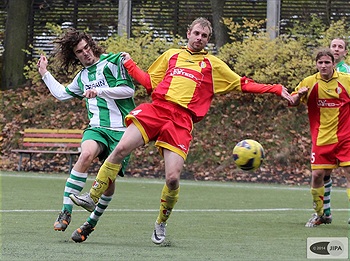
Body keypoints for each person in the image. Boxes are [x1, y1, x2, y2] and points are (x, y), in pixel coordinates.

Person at [71, 17, 293, 244]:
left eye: (204, 36)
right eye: (196, 33)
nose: (199, 38)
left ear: (208, 39)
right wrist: (130, 65)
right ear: (188, 33)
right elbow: (149, 83)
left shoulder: (212, 64)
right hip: (156, 110)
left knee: (173, 178)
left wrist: (275, 89)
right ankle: (92, 196)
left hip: (181, 121)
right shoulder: (171, 55)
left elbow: (242, 83)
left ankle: (160, 223)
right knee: (120, 149)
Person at [37, 28, 136, 242]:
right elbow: (62, 94)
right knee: (85, 154)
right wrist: (45, 73)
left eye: (87, 48)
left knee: (107, 183)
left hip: (122, 131)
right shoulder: (82, 77)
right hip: (97, 127)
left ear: (92, 45)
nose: (86, 53)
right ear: (75, 56)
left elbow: (129, 90)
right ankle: (66, 211)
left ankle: (90, 223)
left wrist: (100, 91)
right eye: (80, 52)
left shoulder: (111, 62)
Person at [288, 48, 350, 227]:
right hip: (321, 139)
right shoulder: (309, 82)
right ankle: (321, 214)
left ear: (333, 64)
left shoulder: (346, 81)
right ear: (316, 64)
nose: (323, 66)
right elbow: (291, 101)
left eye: (327, 62)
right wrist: (299, 96)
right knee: (317, 175)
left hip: (345, 138)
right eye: (320, 63)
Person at [321, 38, 350, 220]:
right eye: (334, 46)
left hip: (345, 129)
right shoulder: (322, 72)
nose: (337, 49)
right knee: (324, 171)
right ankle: (326, 210)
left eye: (340, 47)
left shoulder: (346, 73)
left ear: (345, 52)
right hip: (326, 130)